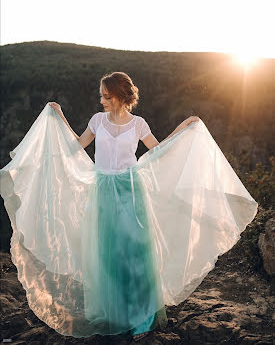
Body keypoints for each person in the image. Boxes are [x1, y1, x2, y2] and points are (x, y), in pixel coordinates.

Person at [0, 71, 258, 341]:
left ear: (121, 97)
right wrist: (59, 116)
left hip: (131, 192)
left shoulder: (138, 124)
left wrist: (184, 128)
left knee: (135, 254)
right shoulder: (97, 120)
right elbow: (77, 146)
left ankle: (141, 320)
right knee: (107, 254)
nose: (102, 101)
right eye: (102, 96)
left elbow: (156, 151)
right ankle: (113, 314)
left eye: (107, 96)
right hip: (102, 192)